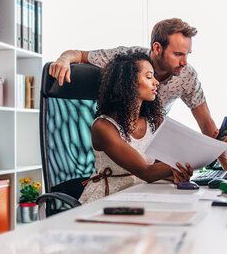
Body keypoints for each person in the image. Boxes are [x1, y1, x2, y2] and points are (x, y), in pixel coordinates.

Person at [50, 18, 227, 176]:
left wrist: (226, 166)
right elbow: (79, 55)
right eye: (178, 54)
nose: (184, 62)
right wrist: (63, 60)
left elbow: (206, 123)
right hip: (121, 144)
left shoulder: (185, 77)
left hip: (150, 141)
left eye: (188, 54)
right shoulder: (130, 61)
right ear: (157, 48)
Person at [79, 51, 194, 204]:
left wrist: (175, 173)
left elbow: (159, 166)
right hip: (107, 199)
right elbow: (146, 172)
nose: (156, 82)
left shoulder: (154, 120)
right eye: (148, 77)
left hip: (141, 195)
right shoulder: (103, 127)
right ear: (129, 83)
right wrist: (189, 160)